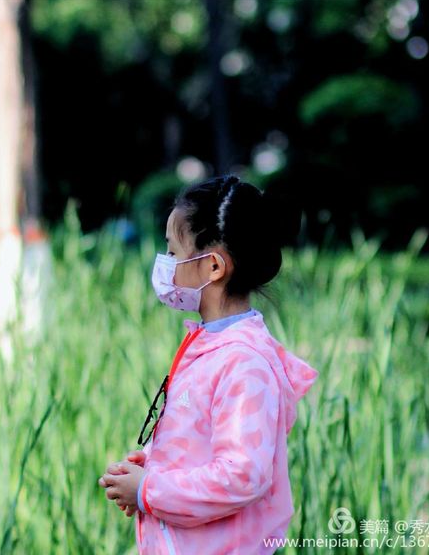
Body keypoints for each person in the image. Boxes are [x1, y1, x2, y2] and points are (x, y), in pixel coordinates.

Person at [97, 175, 319, 554]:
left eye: (173, 253)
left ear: (213, 266)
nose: (166, 265)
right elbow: (200, 442)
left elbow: (242, 475)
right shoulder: (208, 345)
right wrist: (153, 465)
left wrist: (149, 489)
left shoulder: (244, 364)